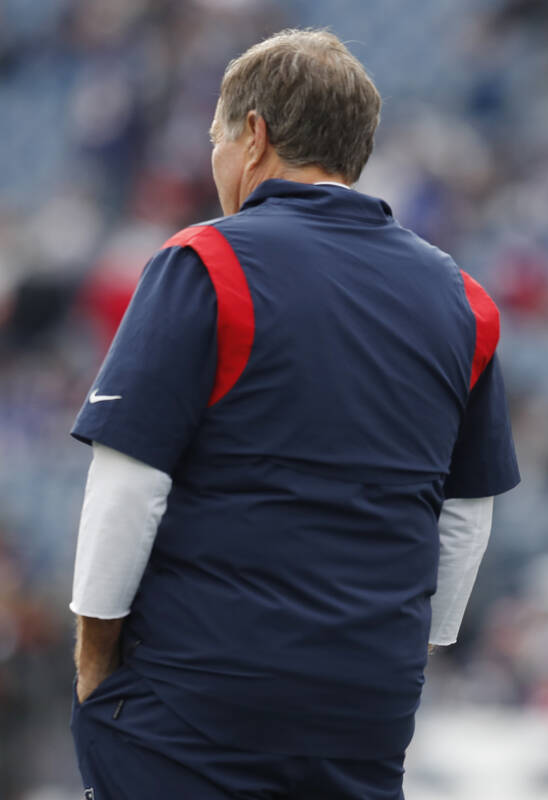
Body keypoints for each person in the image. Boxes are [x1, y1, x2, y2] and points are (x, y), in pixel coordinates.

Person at [67, 29, 519, 800]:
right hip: (365, 716)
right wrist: (402, 657)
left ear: (255, 136)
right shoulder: (463, 299)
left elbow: (127, 482)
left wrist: (92, 666)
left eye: (216, 137)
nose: (213, 162)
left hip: (197, 708)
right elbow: (466, 515)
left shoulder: (205, 262)